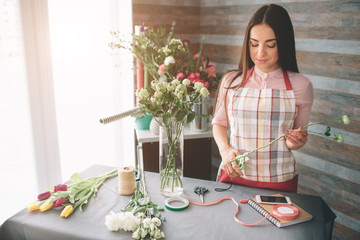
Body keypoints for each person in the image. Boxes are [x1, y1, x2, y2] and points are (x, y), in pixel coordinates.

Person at [212, 4, 313, 193]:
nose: (260, 53)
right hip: (234, 175)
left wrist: (295, 142)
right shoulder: (231, 80)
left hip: (279, 181)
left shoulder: (302, 86)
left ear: (283, 43)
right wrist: (225, 151)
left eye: (270, 45)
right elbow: (218, 122)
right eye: (254, 43)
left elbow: (296, 138)